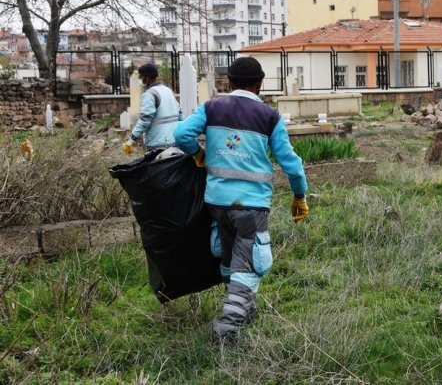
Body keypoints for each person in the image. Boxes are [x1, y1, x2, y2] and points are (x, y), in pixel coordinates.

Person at [174, 56, 309, 341]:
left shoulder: (211, 107)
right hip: (251, 205)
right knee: (250, 263)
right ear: (260, 84)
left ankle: (245, 310)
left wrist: (198, 154)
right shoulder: (269, 117)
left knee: (230, 256)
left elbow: (181, 133)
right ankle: (228, 327)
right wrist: (299, 196)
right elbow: (292, 165)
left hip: (217, 202)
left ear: (229, 83)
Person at [122, 62, 182, 153]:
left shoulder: (149, 94)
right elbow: (180, 115)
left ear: (147, 78)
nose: (141, 80)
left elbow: (145, 120)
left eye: (141, 77)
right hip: (174, 141)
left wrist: (131, 140)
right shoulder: (168, 90)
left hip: (157, 144)